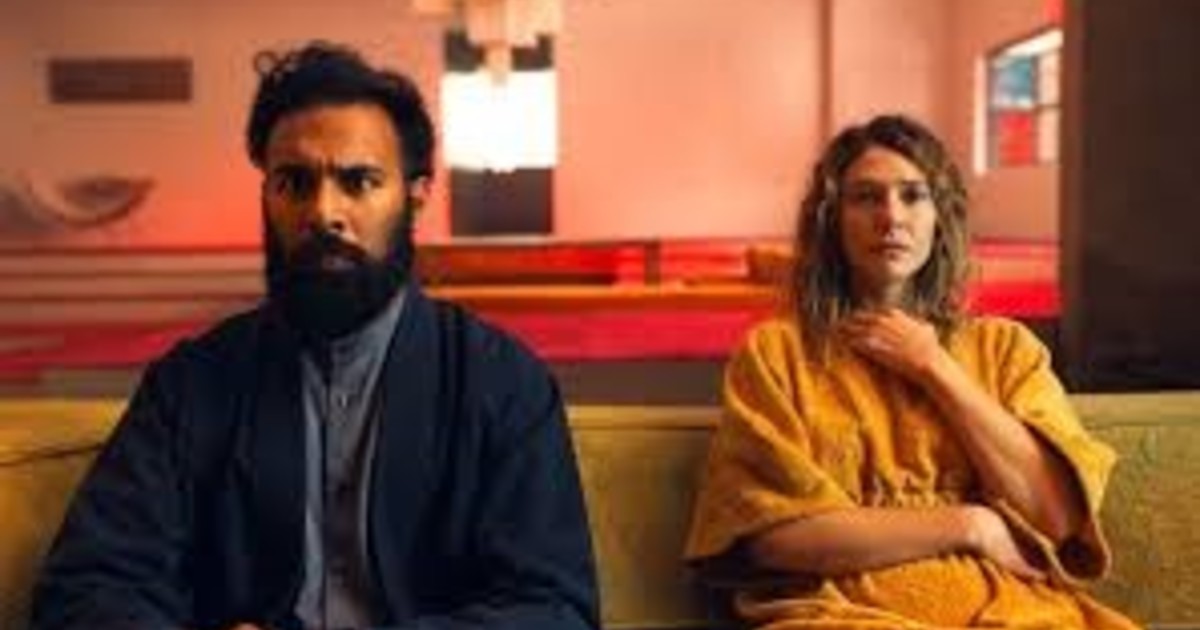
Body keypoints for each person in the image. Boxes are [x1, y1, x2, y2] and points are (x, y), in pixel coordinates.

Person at [32, 41, 599, 630]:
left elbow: (554, 609)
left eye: (359, 182)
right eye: (294, 183)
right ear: (266, 195)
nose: (324, 212)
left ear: (416, 193)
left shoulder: (502, 383)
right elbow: (88, 590)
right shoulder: (190, 385)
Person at [684, 114, 1139, 629]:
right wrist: (967, 524)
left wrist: (935, 368)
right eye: (866, 197)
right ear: (832, 220)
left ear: (941, 216)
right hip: (841, 612)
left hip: (1012, 611)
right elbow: (775, 538)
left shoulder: (1004, 349)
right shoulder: (777, 354)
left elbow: (1055, 518)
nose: (891, 217)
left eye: (913, 196)